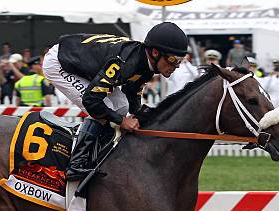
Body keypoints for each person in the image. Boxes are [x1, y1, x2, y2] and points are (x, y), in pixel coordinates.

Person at [42, 22, 189, 180]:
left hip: (79, 61)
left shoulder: (146, 65)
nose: (176, 66)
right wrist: (122, 121)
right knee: (106, 107)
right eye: (173, 59)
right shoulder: (124, 63)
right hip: (59, 63)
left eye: (180, 60)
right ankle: (77, 163)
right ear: (154, 52)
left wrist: (144, 115)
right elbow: (91, 100)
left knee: (121, 105)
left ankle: (98, 155)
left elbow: (131, 96)